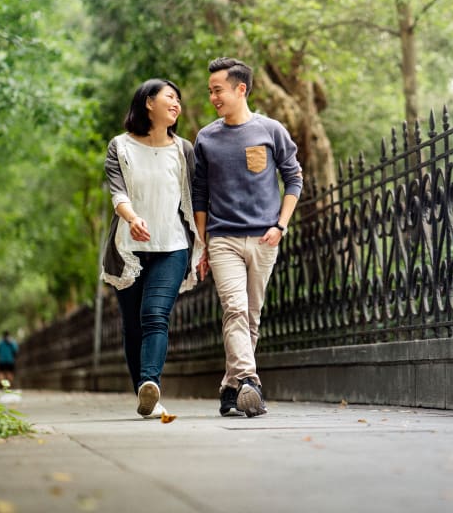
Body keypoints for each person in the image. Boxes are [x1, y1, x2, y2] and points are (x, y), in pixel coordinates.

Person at [192, 57, 303, 417]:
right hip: (223, 238)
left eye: (218, 90)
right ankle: (251, 381)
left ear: (241, 89)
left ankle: (229, 386)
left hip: (264, 238)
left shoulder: (270, 131)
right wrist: (203, 243)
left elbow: (294, 178)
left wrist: (280, 225)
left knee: (251, 316)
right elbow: (200, 194)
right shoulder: (206, 138)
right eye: (210, 91)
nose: (213, 97)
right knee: (235, 309)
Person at [100, 78, 204, 420]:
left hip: (172, 246)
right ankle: (145, 396)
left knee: (155, 316)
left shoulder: (183, 150)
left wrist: (202, 247)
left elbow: (196, 201)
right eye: (170, 97)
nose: (176, 104)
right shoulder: (120, 146)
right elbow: (118, 194)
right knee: (132, 325)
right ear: (148, 102)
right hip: (128, 248)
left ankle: (150, 382)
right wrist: (132, 218)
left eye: (178, 99)